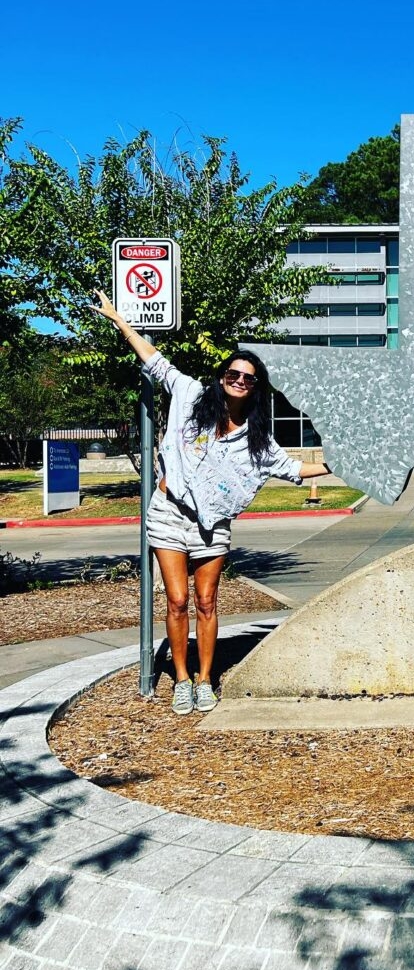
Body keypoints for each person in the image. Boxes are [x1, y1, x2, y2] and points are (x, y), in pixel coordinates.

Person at [89, 291, 333, 716]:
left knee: (207, 601)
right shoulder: (189, 397)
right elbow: (154, 360)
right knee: (177, 599)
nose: (239, 380)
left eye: (248, 378)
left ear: (255, 387)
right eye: (233, 374)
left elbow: (295, 470)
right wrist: (119, 320)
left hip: (212, 524)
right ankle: (180, 680)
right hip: (168, 512)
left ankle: (205, 679)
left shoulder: (257, 440)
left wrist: (347, 463)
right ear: (222, 377)